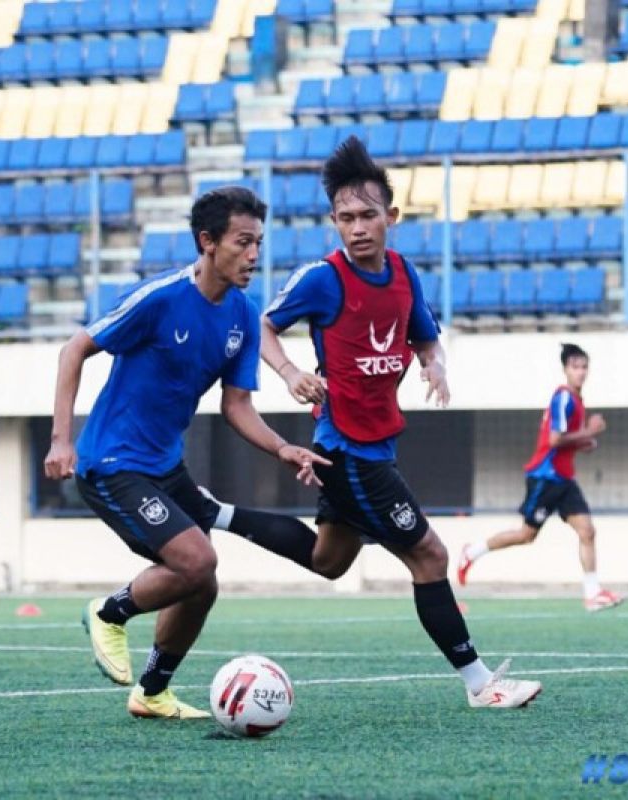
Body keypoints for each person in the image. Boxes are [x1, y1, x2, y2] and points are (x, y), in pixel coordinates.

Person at [217, 137, 542, 708]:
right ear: (334, 222)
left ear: (392, 216)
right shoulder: (323, 278)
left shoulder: (403, 274)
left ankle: (212, 511)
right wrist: (291, 371)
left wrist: (434, 365)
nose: (357, 227)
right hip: (349, 451)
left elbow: (425, 337)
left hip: (377, 443)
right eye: (345, 218)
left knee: (329, 560)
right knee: (430, 556)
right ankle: (480, 684)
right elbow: (264, 326)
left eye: (368, 215)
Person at [43, 187, 324, 720]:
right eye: (243, 243)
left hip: (164, 467)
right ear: (207, 241)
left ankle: (151, 693)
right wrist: (62, 439)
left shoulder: (242, 315)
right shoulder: (162, 298)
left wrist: (282, 447)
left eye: (259, 243)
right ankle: (108, 612)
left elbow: (236, 406)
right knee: (197, 560)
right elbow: (74, 348)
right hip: (112, 463)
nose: (254, 256)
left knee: (201, 584)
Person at [457, 343, 624, 613]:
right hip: (545, 477)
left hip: (564, 479)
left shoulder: (578, 401)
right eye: (575, 367)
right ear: (565, 370)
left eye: (584, 367)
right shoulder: (564, 398)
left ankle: (593, 594)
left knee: (587, 531)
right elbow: (554, 439)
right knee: (526, 535)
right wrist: (589, 432)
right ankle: (472, 552)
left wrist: (585, 442)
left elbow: (567, 441)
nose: (580, 372)